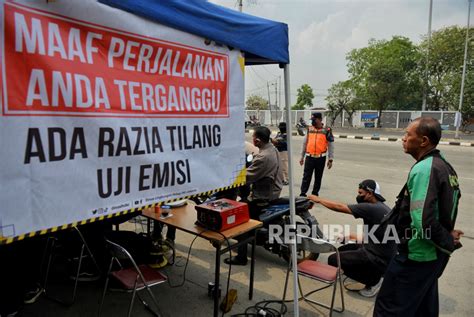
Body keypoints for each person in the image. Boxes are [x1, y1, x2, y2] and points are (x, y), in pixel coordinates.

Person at [374, 117, 463, 316]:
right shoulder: (444, 166)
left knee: (389, 309)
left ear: (423, 141)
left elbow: (423, 220)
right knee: (423, 309)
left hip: (416, 256)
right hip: (432, 256)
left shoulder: (424, 169)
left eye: (407, 134)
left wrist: (447, 239)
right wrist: (447, 234)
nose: (403, 139)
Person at [308, 179, 396, 297]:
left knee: (334, 260)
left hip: (378, 257)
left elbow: (340, 207)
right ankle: (372, 273)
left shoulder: (371, 208)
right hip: (382, 251)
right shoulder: (382, 207)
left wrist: (318, 200)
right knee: (340, 252)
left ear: (370, 194)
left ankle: (374, 281)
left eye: (360, 193)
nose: (358, 196)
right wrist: (350, 236)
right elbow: (374, 235)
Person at [225, 126, 283, 265]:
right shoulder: (272, 149)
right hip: (273, 189)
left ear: (257, 140)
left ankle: (241, 257)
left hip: (263, 195)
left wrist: (228, 178)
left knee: (241, 219)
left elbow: (246, 176)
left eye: (253, 138)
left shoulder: (263, 157)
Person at [299, 112, 334, 197]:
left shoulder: (327, 130)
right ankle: (303, 193)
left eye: (314, 120)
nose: (312, 122)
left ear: (319, 120)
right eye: (312, 120)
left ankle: (315, 193)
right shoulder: (310, 129)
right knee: (306, 176)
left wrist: (330, 159)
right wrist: (302, 156)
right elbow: (305, 143)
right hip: (309, 157)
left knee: (318, 177)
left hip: (320, 158)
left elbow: (331, 145)